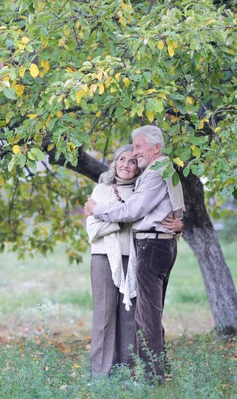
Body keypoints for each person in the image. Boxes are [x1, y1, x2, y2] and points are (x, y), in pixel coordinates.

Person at [84, 125, 185, 383]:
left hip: (148, 250)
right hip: (126, 253)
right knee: (119, 317)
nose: (132, 156)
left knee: (141, 317)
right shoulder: (107, 189)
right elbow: (94, 229)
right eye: (124, 157)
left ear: (156, 148)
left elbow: (133, 211)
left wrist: (99, 212)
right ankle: (106, 374)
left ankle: (145, 376)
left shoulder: (152, 175)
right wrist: (176, 222)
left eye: (137, 149)